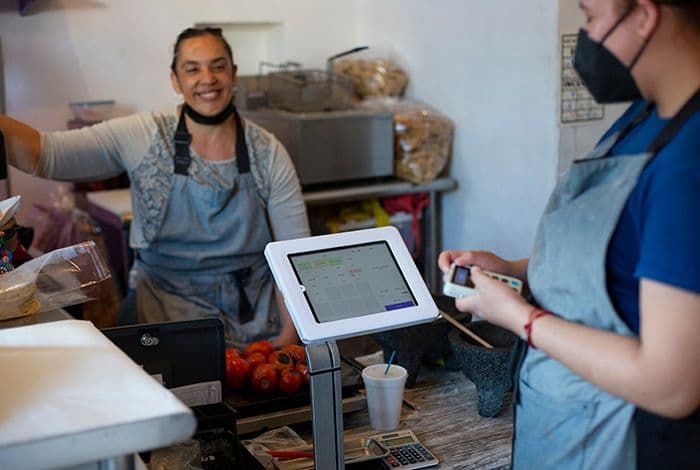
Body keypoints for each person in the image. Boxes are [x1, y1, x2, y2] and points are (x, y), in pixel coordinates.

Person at [439, 0, 700, 468]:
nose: (587, 36)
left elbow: (672, 384)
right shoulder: (638, 119)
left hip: (626, 443)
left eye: (590, 15)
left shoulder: (689, 161)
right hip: (565, 423)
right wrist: (514, 270)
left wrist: (520, 318)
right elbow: (619, 263)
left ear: (644, 15)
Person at [0, 27, 309, 349]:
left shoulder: (267, 151)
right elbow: (46, 153)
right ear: (175, 80)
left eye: (218, 66)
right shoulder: (145, 134)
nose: (207, 78)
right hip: (163, 315)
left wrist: (289, 339)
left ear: (233, 74)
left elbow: (295, 255)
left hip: (256, 320)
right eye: (192, 69)